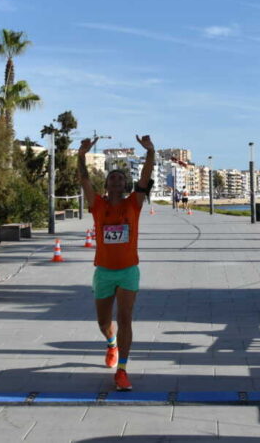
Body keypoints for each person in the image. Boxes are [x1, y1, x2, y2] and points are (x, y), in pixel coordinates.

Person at [78, 133, 156, 392]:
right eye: (112, 177)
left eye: (121, 178)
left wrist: (150, 151)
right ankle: (111, 343)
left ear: (125, 185)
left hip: (128, 272)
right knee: (103, 322)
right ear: (107, 184)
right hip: (103, 272)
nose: (116, 179)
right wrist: (81, 155)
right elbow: (84, 180)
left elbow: (144, 177)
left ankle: (122, 369)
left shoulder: (133, 204)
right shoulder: (98, 205)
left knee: (125, 318)